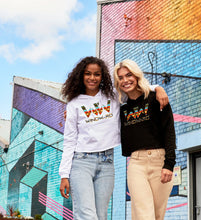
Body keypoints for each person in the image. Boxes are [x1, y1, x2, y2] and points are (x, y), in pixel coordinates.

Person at [59, 56, 169, 220]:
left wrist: (157, 88)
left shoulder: (112, 97)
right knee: (87, 214)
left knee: (101, 215)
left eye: (97, 74)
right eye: (88, 74)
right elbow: (69, 141)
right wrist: (64, 174)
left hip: (107, 161)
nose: (92, 78)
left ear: (102, 76)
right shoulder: (74, 104)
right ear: (81, 76)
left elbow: (135, 91)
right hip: (81, 162)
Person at [113, 59, 176, 220]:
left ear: (136, 76)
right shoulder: (121, 109)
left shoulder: (157, 99)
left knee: (157, 215)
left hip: (160, 161)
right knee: (143, 215)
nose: (125, 80)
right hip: (136, 164)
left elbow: (169, 132)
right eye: (120, 77)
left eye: (129, 75)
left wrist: (169, 164)